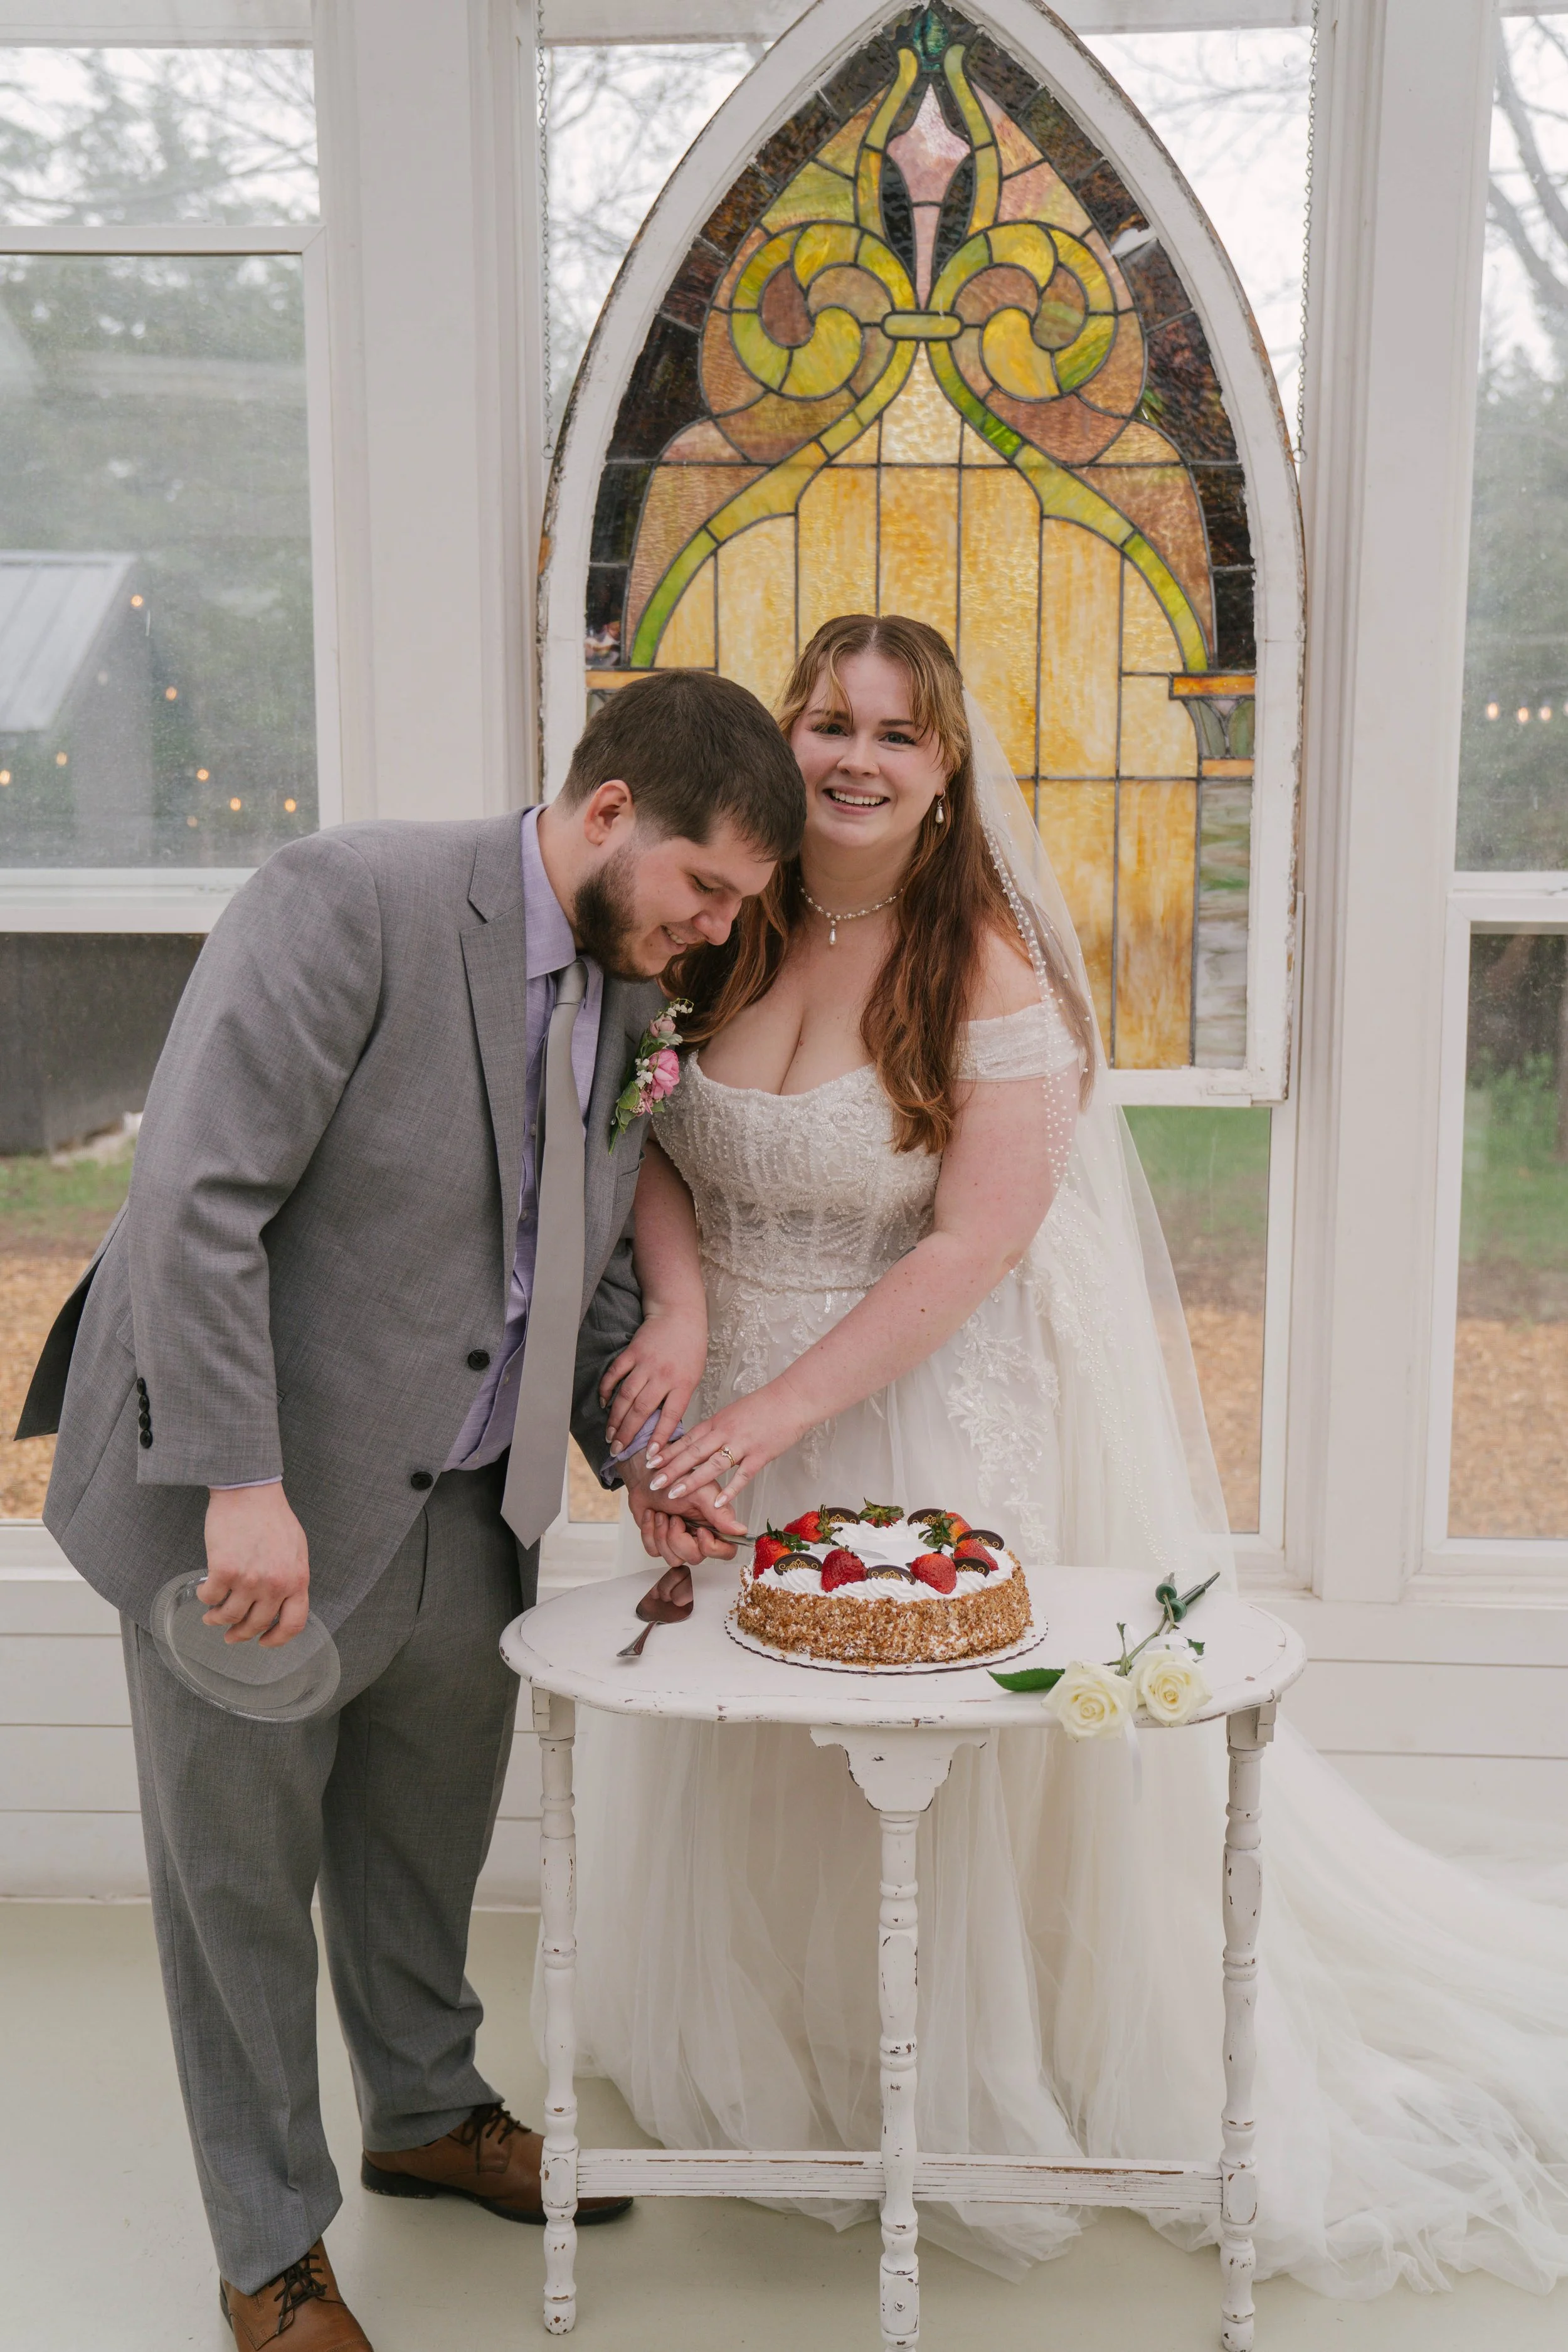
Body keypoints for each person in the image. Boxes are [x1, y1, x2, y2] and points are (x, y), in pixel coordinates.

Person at [570, 615, 1568, 2299]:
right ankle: (792, 2058)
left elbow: (975, 1243)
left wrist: (770, 1414)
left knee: (923, 1759)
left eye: (897, 731)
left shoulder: (982, 966)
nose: (856, 758)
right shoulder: (723, 922)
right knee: (755, 1736)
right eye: (829, 721)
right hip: (722, 1392)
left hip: (906, 1409)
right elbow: (653, 1128)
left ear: (947, 767)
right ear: (784, 737)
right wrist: (677, 1316)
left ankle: (949, 2071)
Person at [16, 668, 797, 2352]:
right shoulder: (346, 900)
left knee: (421, 1843)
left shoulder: (624, 990)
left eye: (739, 904)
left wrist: (639, 1457)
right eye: (705, 887)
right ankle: (268, 2248)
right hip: (252, 1504)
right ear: (608, 812)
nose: (717, 932)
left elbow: (570, 1261)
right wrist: (237, 1480)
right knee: (238, 1889)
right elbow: (194, 1201)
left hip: (469, 1502)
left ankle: (424, 2110)